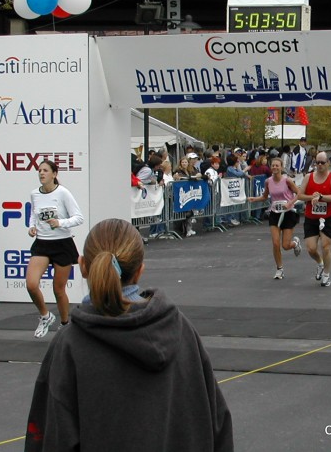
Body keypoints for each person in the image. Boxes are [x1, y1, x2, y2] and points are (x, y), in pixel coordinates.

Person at [24, 219, 234, 452]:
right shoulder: (181, 330)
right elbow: (218, 424)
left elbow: (51, 437)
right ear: (140, 270)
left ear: (83, 266)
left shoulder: (70, 345)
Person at [25, 160, 84, 338]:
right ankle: (45, 316)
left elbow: (78, 218)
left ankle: (65, 324)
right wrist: (32, 227)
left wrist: (60, 222)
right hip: (42, 243)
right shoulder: (35, 194)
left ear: (54, 174)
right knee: (31, 284)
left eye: (45, 170)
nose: (41, 173)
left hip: (62, 243)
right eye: (39, 170)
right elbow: (33, 214)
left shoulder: (63, 193)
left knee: (58, 290)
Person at [248, 157, 302, 279]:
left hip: (288, 213)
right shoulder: (268, 181)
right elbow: (265, 196)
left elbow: (299, 193)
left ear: (281, 167)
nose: (275, 167)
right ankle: (279, 269)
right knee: (276, 243)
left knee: (285, 245)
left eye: (277, 165)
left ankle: (295, 243)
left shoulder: (287, 180)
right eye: (273, 165)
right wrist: (254, 199)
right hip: (275, 213)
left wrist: (290, 203)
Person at [297, 151, 331, 287]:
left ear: (328, 163)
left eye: (323, 162)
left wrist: (321, 197)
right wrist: (312, 197)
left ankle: (326, 275)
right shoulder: (308, 177)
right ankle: (320, 263)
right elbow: (299, 195)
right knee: (311, 248)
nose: (320, 165)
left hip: (328, 216)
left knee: (326, 247)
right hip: (311, 217)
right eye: (318, 162)